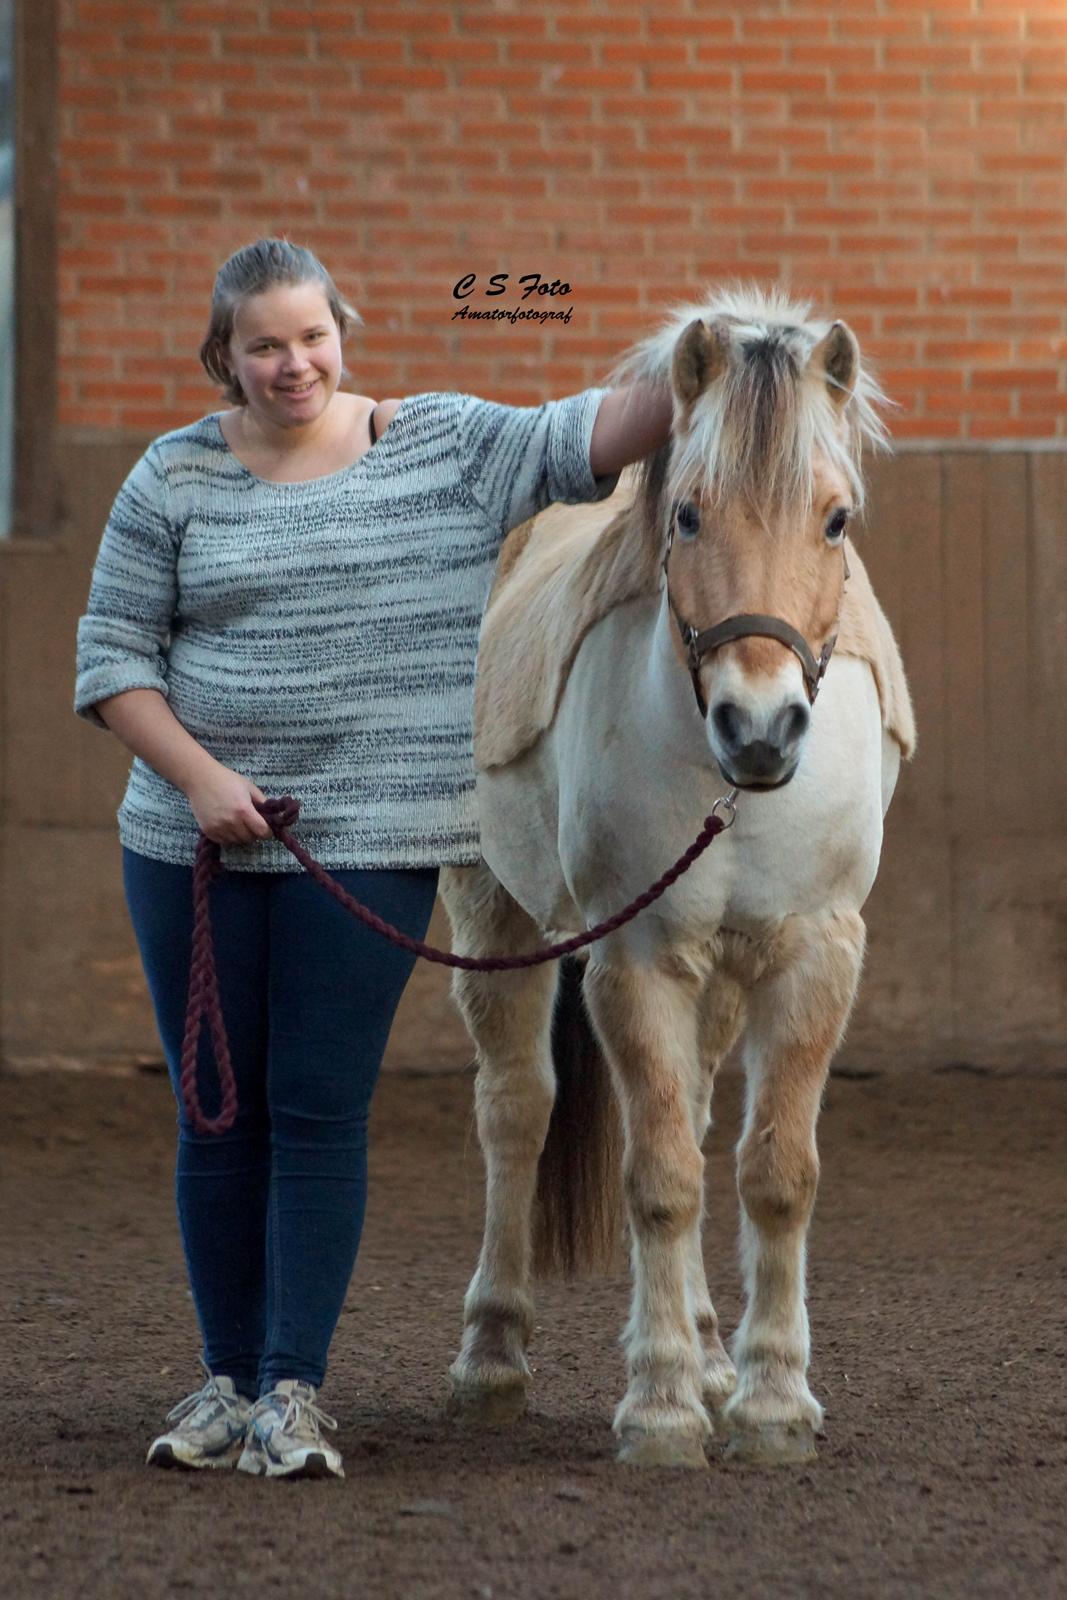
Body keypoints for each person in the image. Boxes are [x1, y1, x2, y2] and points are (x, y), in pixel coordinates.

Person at [73, 237, 672, 1481]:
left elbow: (597, 428)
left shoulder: (444, 444)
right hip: (188, 842)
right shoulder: (170, 474)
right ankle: (225, 1381)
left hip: (369, 843)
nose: (293, 364)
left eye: (311, 337)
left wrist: (728, 354)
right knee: (214, 1114)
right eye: (263, 345)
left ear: (341, 332)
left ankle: (292, 1388)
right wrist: (203, 781)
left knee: (316, 1111)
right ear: (223, 355)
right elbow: (114, 658)